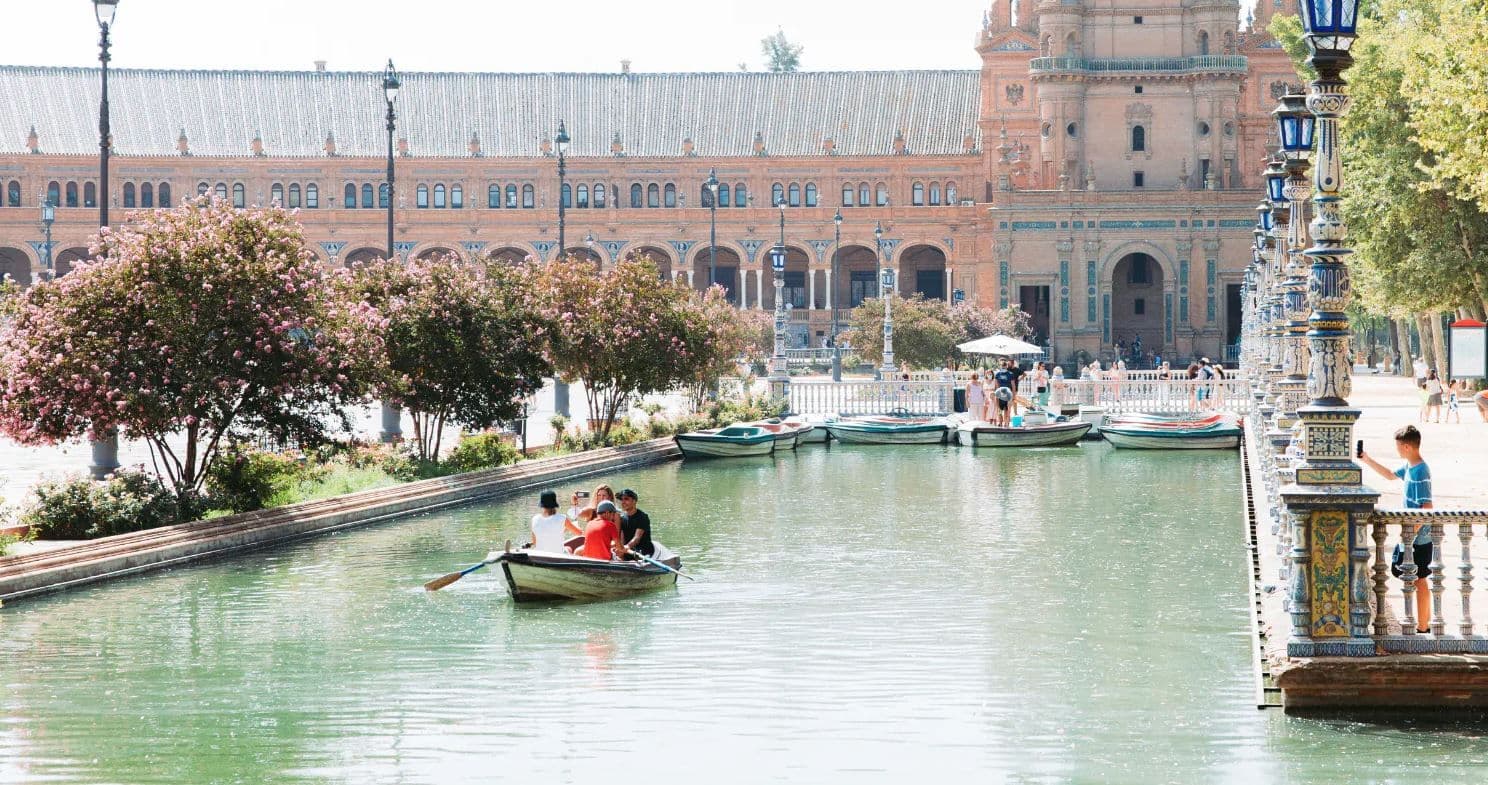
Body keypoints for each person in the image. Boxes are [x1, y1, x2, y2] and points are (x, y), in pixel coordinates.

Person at [1358, 425, 1434, 634]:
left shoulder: (1421, 471)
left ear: (1407, 446)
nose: (1397, 450)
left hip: (1419, 536)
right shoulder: (1410, 466)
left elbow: (1426, 507)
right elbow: (1391, 475)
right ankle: (1422, 623)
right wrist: (1367, 459)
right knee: (1407, 572)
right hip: (1411, 534)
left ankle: (1423, 626)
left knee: (1419, 578)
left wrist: (1413, 531)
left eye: (1399, 447)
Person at [615, 488, 655, 559]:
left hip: (643, 551)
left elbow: (637, 538)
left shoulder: (642, 517)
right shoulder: (622, 518)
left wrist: (626, 547)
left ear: (634, 501)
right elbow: (622, 538)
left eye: (626, 499)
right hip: (628, 550)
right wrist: (621, 549)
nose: (623, 502)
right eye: (622, 499)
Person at [992, 359, 1016, 427]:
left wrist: (1014, 395)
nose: (1003, 367)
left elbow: (1013, 385)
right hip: (1000, 394)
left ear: (1006, 366)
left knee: (1007, 410)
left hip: (1008, 394)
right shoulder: (997, 374)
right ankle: (1000, 422)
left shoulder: (1010, 374)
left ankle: (1006, 423)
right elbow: (996, 385)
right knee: (999, 409)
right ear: (1000, 366)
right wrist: (996, 394)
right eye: (1002, 366)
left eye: (1004, 366)